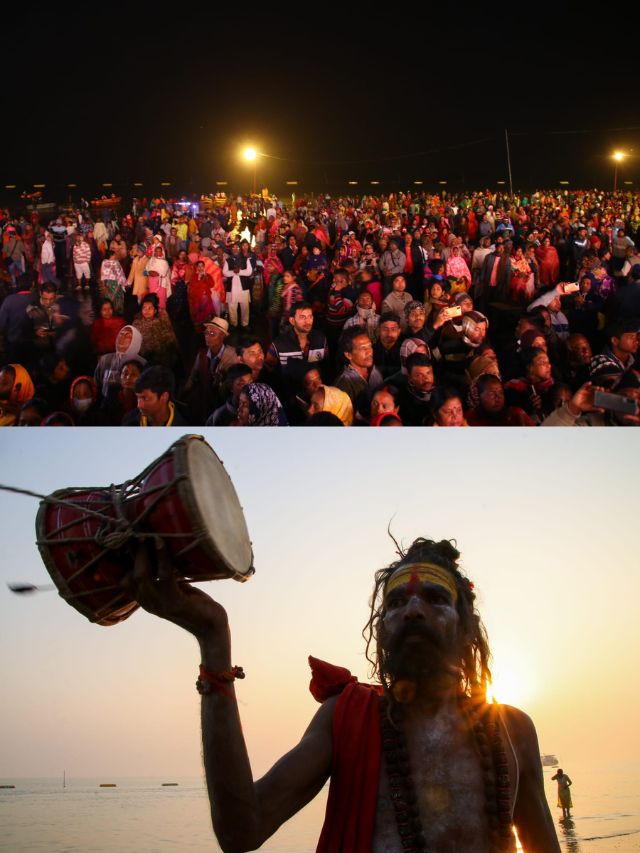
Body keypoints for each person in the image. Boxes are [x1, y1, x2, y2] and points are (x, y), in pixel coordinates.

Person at [129, 536, 560, 853]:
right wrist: (213, 639)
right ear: (382, 630)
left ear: (466, 628)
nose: (412, 610)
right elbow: (241, 830)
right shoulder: (345, 717)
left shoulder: (513, 730)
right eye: (395, 604)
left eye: (433, 598)